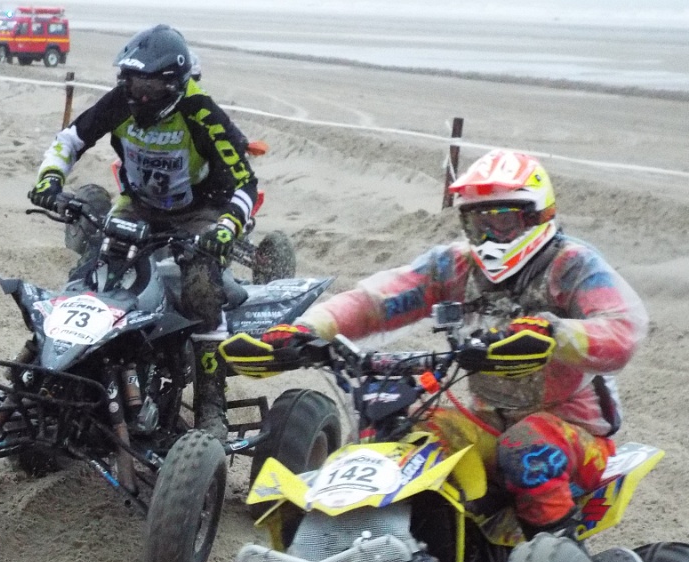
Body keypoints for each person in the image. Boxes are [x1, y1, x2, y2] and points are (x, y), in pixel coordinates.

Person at [223, 149, 649, 539]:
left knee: (528, 446)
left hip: (577, 435)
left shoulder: (571, 265)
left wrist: (556, 334)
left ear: (538, 216)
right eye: (478, 223)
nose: (491, 235)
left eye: (504, 220)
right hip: (489, 421)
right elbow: (375, 301)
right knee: (411, 435)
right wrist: (305, 330)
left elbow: (623, 329)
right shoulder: (456, 265)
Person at [28, 24, 258, 441]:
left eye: (151, 85)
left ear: (174, 83)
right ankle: (70, 374)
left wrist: (227, 226)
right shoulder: (119, 104)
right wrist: (49, 180)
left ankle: (211, 406)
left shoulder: (201, 112)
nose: (141, 94)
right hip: (138, 204)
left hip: (199, 212)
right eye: (134, 82)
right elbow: (70, 140)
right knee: (92, 272)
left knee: (202, 286)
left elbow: (246, 183)